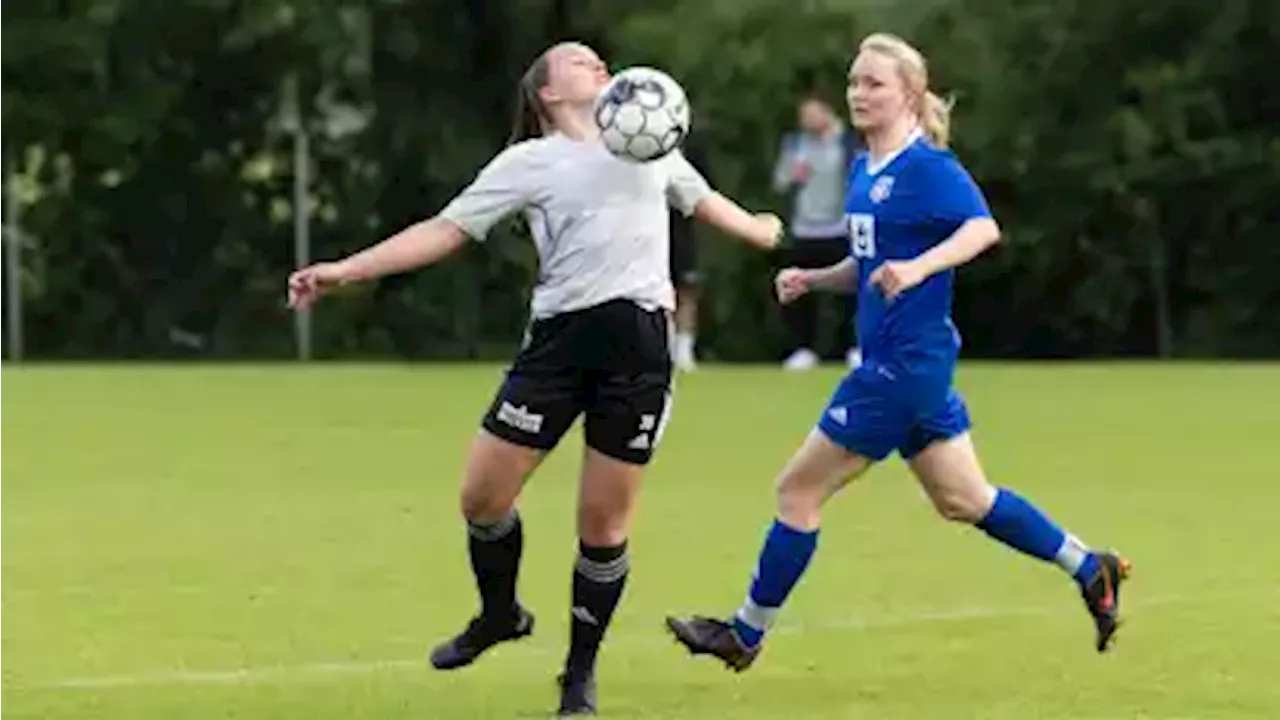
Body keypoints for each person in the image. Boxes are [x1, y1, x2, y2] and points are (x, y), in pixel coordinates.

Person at [287, 42, 781, 717]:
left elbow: (702, 200)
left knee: (602, 526)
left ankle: (578, 678)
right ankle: (499, 615)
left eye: (601, 61)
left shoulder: (647, 141)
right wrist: (346, 270)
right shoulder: (528, 164)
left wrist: (758, 229)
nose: (599, 67)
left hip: (638, 350)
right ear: (547, 93)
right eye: (580, 62)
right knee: (482, 498)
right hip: (556, 346)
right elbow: (445, 229)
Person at [664, 32, 1130, 672]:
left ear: (909, 93)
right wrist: (816, 279)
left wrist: (918, 268)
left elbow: (981, 229)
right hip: (914, 365)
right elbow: (870, 265)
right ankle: (1089, 567)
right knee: (965, 499)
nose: (859, 93)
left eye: (874, 83)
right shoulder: (865, 168)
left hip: (899, 368)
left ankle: (744, 634)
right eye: (854, 82)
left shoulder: (927, 167)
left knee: (796, 491)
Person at [772, 94, 861, 370]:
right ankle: (805, 349)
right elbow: (780, 181)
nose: (806, 121)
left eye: (812, 113)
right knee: (800, 290)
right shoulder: (796, 144)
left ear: (827, 112)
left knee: (849, 291)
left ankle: (853, 347)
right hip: (805, 228)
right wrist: (792, 174)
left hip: (840, 228)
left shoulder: (848, 142)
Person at [668, 128, 712, 370]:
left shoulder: (691, 142)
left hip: (682, 228)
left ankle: (684, 350)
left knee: (686, 289)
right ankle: (663, 347)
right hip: (646, 226)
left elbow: (705, 189)